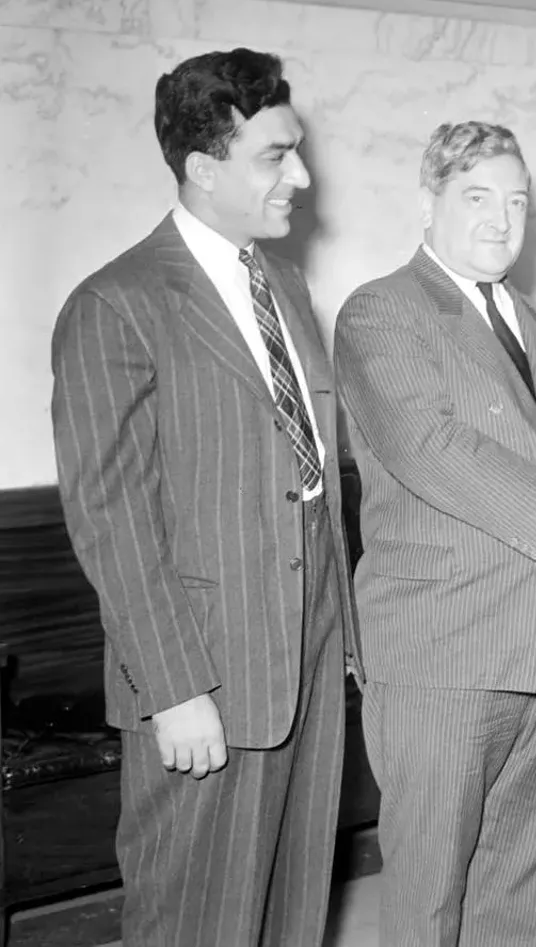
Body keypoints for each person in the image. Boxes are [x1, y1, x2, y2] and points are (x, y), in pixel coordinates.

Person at [50, 48, 363, 946]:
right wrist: (175, 687)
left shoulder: (284, 285)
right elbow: (111, 519)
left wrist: (339, 632)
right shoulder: (116, 303)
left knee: (293, 907)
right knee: (196, 919)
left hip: (306, 653)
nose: (301, 176)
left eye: (296, 150)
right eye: (275, 156)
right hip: (207, 672)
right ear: (203, 167)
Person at [332, 120, 536, 947]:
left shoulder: (535, 322)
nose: (501, 220)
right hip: (443, 654)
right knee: (430, 895)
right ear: (427, 201)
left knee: (516, 882)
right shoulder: (382, 312)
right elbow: (431, 447)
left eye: (517, 202)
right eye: (476, 198)